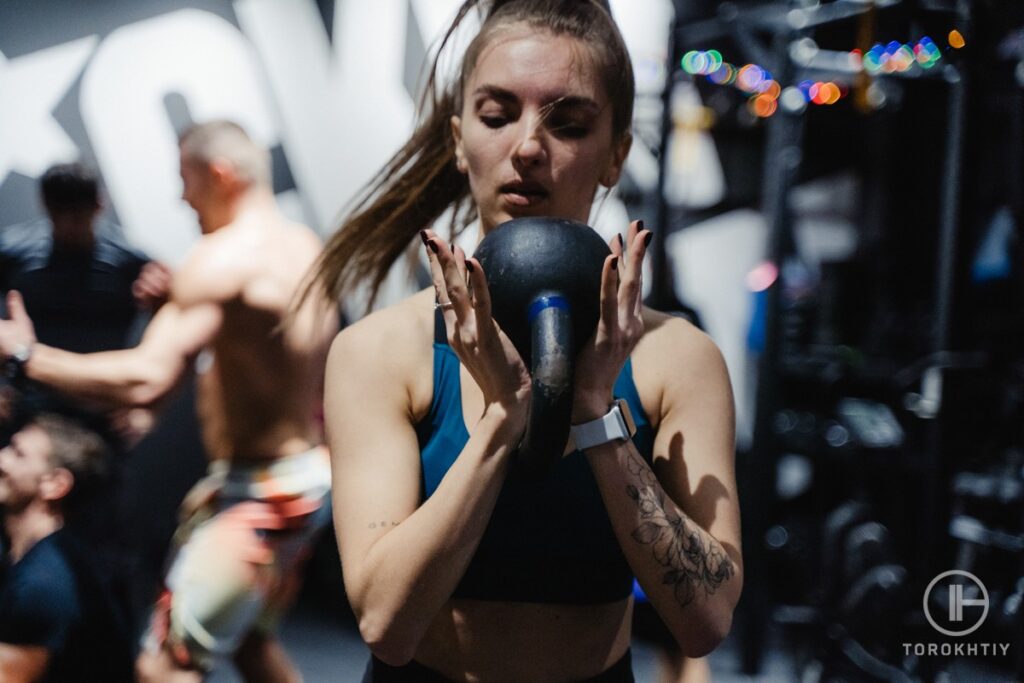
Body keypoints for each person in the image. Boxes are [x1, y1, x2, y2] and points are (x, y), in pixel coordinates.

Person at [307, 1, 743, 680]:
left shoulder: (678, 359)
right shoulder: (379, 352)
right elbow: (387, 626)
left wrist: (598, 415)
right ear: (459, 139)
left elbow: (706, 619)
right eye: (496, 115)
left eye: (568, 124)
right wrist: (501, 424)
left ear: (616, 156)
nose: (529, 147)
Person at [0, 120, 337, 682]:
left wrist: (22, 356)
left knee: (162, 666)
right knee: (251, 644)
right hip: (298, 474)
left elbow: (144, 378)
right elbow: (243, 358)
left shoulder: (221, 259)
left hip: (264, 494)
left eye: (185, 180)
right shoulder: (303, 245)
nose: (182, 198)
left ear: (218, 175)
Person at [0, 413, 133, 682]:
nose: (2, 458)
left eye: (18, 453)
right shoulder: (38, 558)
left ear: (55, 484)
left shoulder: (45, 583)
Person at [0, 162, 171, 355]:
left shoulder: (132, 264)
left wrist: (161, 299)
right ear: (46, 206)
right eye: (60, 212)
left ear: (98, 205)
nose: (68, 223)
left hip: (101, 380)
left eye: (78, 213)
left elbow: (169, 316)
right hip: (30, 380)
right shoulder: (12, 254)